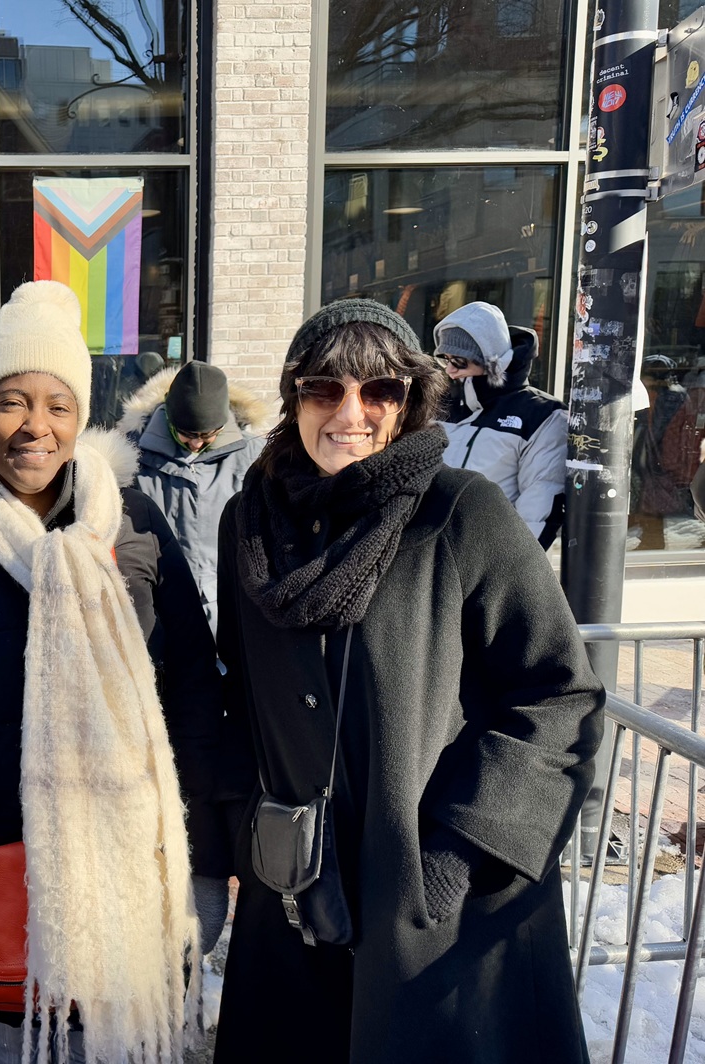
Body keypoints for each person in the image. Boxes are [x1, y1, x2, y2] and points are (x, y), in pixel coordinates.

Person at [213, 299, 604, 1063]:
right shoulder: (250, 526)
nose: (349, 412)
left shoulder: (460, 513)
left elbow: (559, 694)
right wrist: (241, 830)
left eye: (379, 390)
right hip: (294, 886)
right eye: (324, 388)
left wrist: (458, 853)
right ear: (295, 397)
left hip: (435, 904)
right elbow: (243, 690)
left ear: (409, 402)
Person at [0, 281, 228, 1064]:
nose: (35, 425)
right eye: (11, 402)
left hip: (135, 871)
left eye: (58, 405)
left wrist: (206, 859)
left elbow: (194, 698)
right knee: (15, 1050)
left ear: (79, 418)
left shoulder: (135, 527)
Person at [116, 359, 269, 635]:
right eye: (186, 434)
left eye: (207, 435)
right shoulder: (132, 456)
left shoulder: (254, 457)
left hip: (229, 607)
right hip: (157, 608)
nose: (196, 443)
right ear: (169, 418)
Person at [435, 301, 568, 548]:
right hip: (426, 555)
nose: (450, 370)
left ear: (490, 361)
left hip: (489, 557)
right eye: (446, 360)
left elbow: (538, 508)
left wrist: (508, 567)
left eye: (460, 361)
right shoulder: (438, 405)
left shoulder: (541, 415)